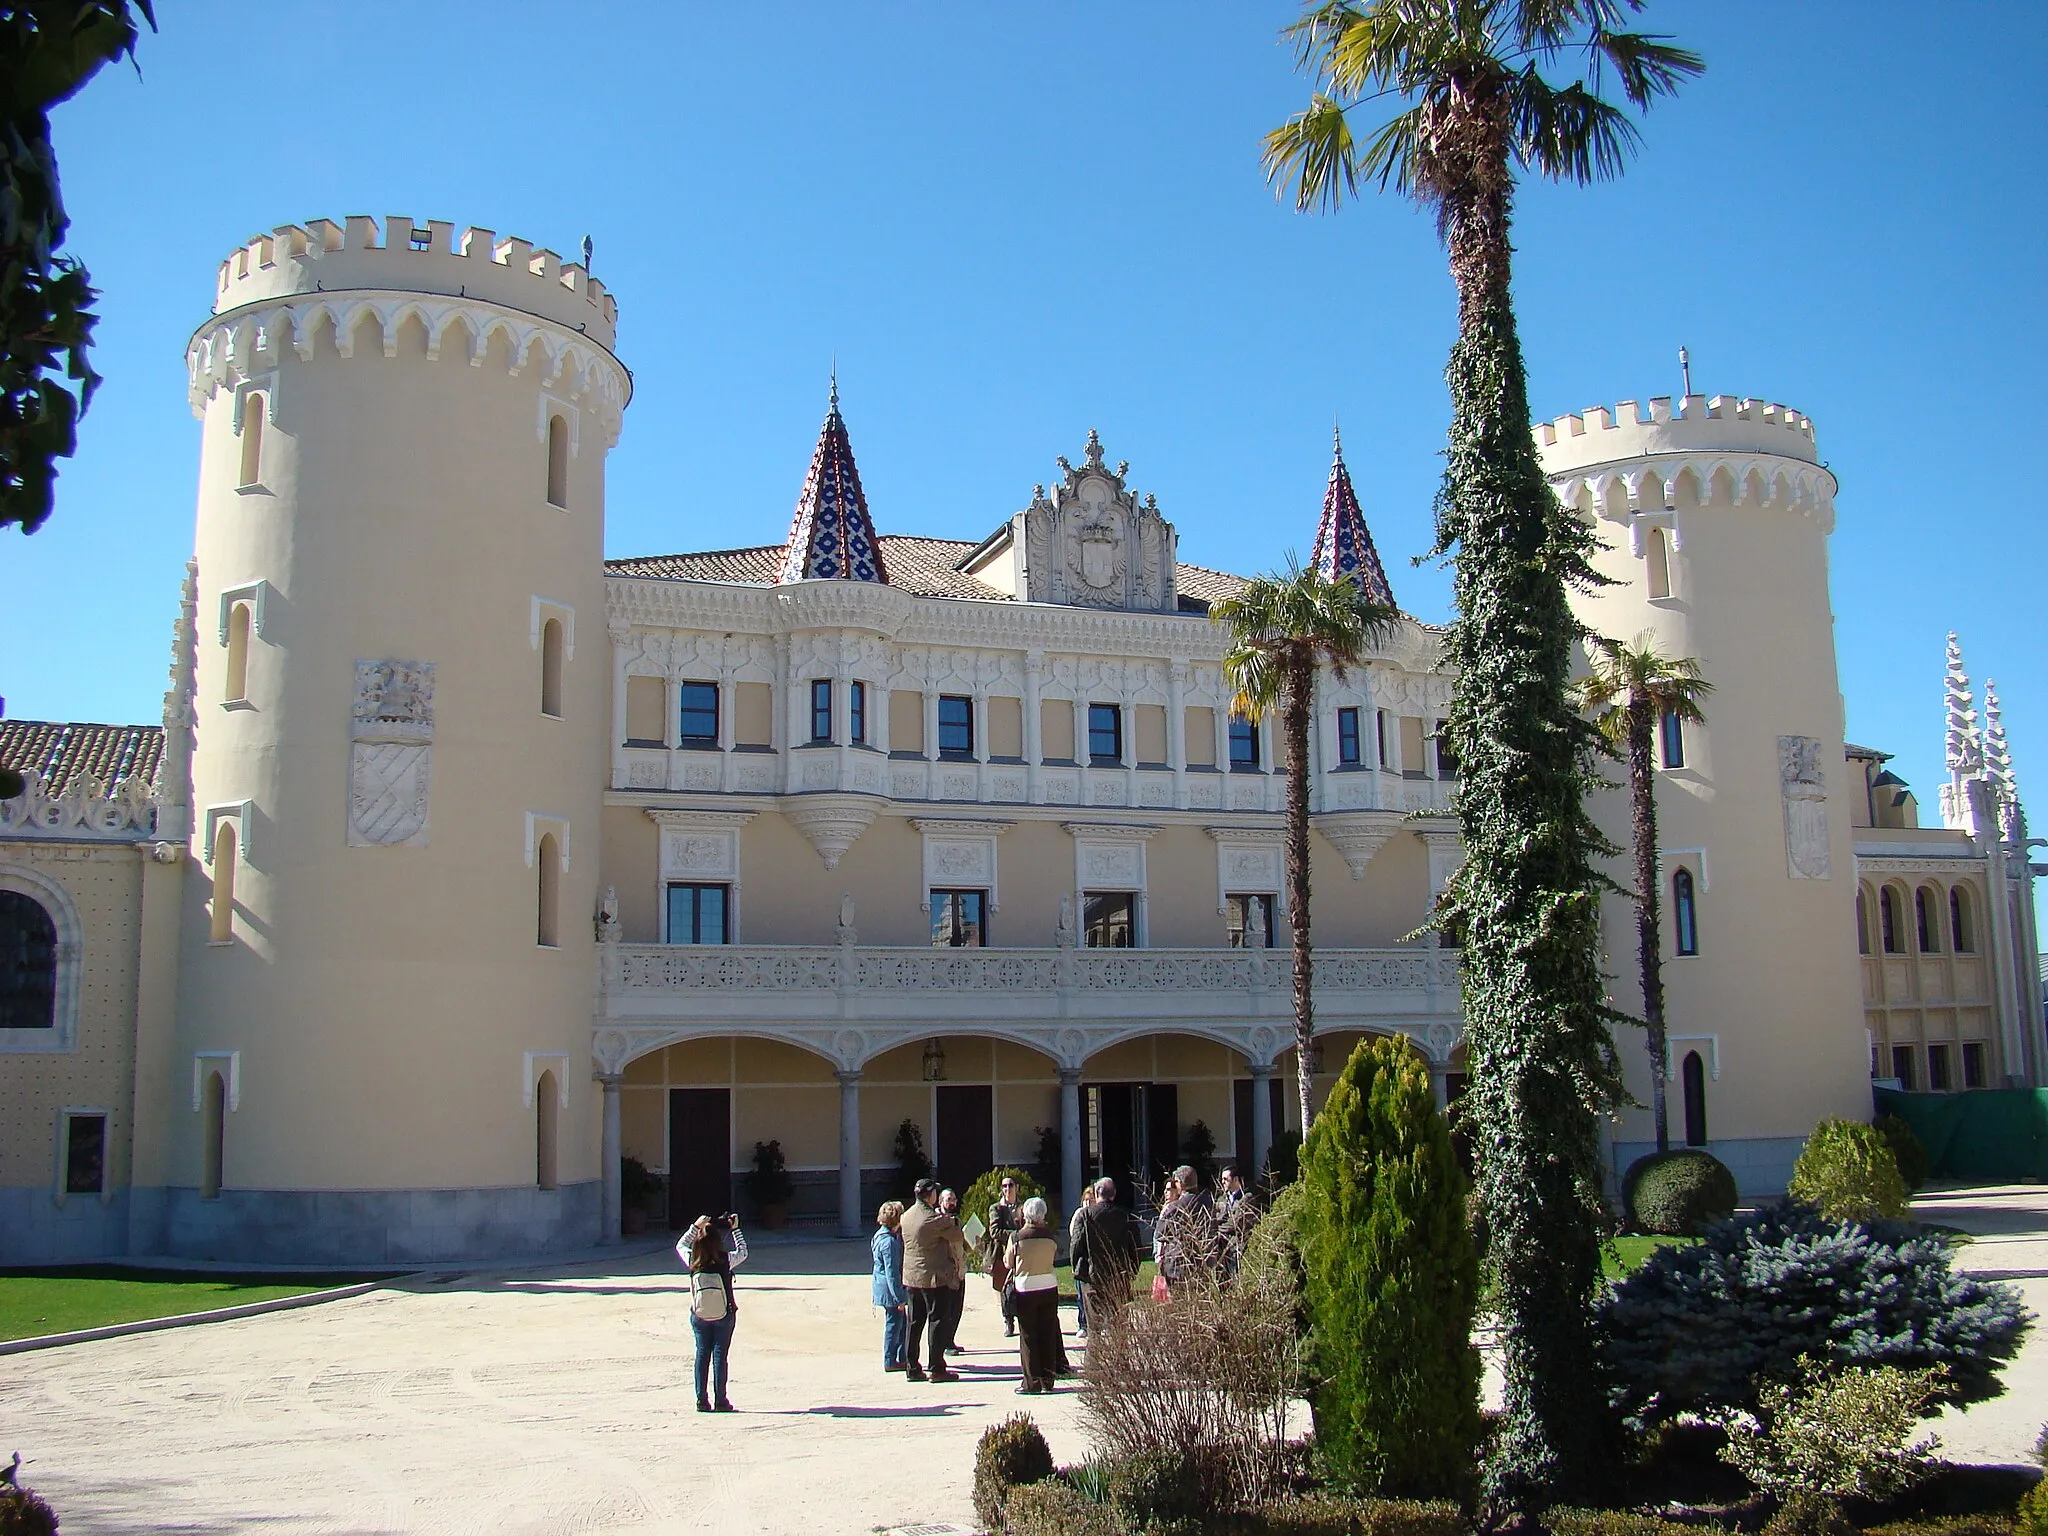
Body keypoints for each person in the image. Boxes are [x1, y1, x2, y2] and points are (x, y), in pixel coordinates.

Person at [680, 1211, 748, 1412]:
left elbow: (680, 1245)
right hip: (724, 1314)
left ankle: (701, 1400)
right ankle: (721, 1401)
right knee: (720, 1356)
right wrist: (735, 1229)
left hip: (700, 1314)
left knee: (702, 1355)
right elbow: (743, 1251)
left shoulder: (693, 1259)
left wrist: (695, 1226)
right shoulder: (726, 1260)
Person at [898, 1179, 962, 1383]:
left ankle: (912, 1367)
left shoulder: (906, 1216)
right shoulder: (933, 1219)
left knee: (914, 1322)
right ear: (929, 1196)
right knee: (938, 1321)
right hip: (933, 1278)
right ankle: (936, 1367)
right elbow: (957, 1235)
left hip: (911, 1277)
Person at [1006, 1196, 1062, 1393]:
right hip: (1048, 1285)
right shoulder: (1050, 1236)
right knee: (1048, 1332)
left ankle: (1032, 1381)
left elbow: (1008, 1262)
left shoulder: (1017, 1237)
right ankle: (1048, 1379)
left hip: (1025, 1287)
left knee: (1028, 1335)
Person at [1071, 1176, 1138, 1331]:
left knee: (1094, 1332)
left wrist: (1078, 1269)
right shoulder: (1125, 1216)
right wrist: (1132, 1270)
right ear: (1113, 1195)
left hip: (1092, 1278)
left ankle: (1096, 1355)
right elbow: (1135, 1247)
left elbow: (1076, 1246)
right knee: (1120, 1328)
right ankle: (1120, 1355)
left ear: (1096, 1193)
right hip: (1118, 1278)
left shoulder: (1085, 1215)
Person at [1154, 1163, 1216, 1295]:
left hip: (1179, 1265)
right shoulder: (1208, 1202)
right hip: (1203, 1261)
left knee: (1181, 1304)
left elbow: (1160, 1233)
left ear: (1180, 1184)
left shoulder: (1175, 1207)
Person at [871, 1200, 909, 1372]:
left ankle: (901, 1356)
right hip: (889, 1290)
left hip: (881, 1286)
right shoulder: (889, 1242)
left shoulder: (879, 1236)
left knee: (901, 1324)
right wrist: (899, 1298)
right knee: (894, 1325)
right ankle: (890, 1360)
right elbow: (892, 1273)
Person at [987, 1175, 1024, 1338]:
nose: (1007, 1189)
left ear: (1016, 1187)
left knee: (1022, 1287)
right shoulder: (996, 1208)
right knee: (1005, 1289)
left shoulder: (1023, 1207)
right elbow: (994, 1232)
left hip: (1022, 1253)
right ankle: (1008, 1321)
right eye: (1004, 1186)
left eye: (1010, 1185)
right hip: (1003, 1254)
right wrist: (1016, 1234)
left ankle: (1023, 1319)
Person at [937, 1187, 969, 1357]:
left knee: (956, 1309)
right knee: (946, 1309)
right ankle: (944, 1343)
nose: (952, 1202)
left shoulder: (957, 1221)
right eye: (949, 1199)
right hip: (945, 1272)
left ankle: (950, 1340)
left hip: (959, 1270)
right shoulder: (937, 1220)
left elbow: (963, 1245)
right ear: (941, 1201)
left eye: (954, 1199)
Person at [1067, 1182, 1094, 1338]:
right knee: (1080, 1295)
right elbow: (1073, 1236)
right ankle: (1083, 1324)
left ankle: (1096, 1324)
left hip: (1094, 1262)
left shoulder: (1096, 1214)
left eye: (1091, 1200)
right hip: (1081, 1261)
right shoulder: (1079, 1215)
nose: (1087, 1203)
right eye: (1086, 1200)